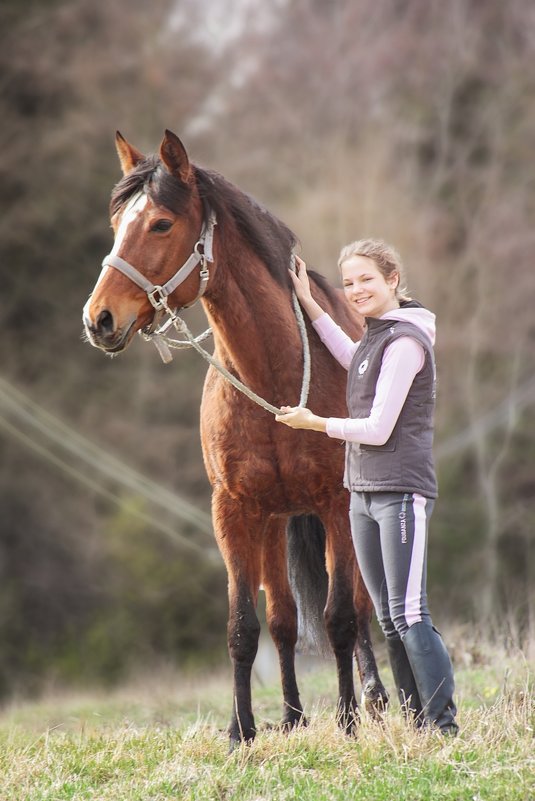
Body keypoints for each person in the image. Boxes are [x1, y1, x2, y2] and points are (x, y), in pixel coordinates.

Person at [276, 240, 458, 735]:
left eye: (367, 280)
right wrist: (310, 302)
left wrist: (315, 423)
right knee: (387, 617)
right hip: (363, 494)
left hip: (401, 491)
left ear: (393, 279)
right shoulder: (376, 339)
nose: (356, 290)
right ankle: (417, 722)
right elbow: (349, 355)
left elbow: (378, 429)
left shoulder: (404, 343)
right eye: (349, 282)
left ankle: (443, 727)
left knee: (411, 611)